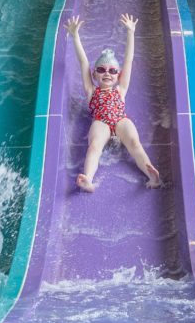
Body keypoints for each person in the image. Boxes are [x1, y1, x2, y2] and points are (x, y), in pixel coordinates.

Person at [65, 13, 161, 192]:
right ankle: (88, 180)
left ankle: (152, 175)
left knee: (134, 143)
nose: (107, 73)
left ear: (119, 75)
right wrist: (75, 36)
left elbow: (129, 60)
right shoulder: (91, 90)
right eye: (101, 70)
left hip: (120, 120)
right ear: (94, 74)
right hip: (101, 122)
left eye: (112, 70)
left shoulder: (120, 89)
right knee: (94, 146)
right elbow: (83, 62)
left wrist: (131, 32)